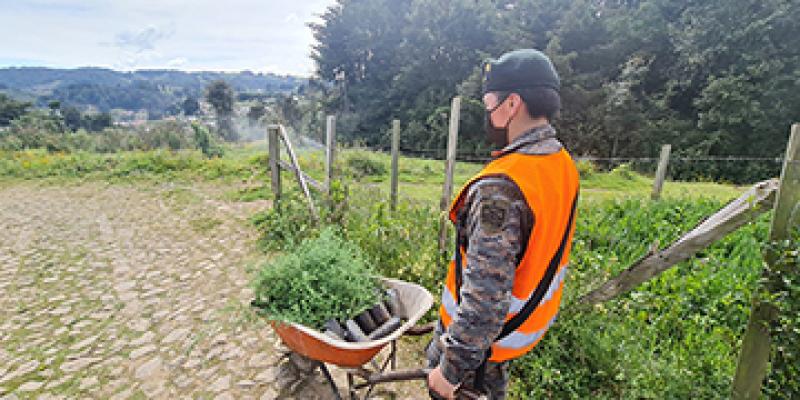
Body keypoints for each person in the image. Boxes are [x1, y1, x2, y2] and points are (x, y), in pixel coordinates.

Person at [426, 49, 580, 400]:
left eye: (489, 104)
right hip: (510, 337)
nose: (487, 114)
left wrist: (449, 372)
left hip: (475, 359)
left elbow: (485, 299)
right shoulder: (561, 164)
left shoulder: (501, 189)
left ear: (512, 105)